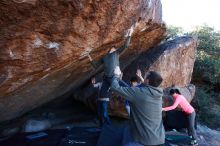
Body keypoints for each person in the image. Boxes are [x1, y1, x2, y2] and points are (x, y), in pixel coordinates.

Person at [111, 69, 165, 146]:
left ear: (147, 81)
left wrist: (115, 75)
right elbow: (139, 87)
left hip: (146, 141)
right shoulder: (158, 94)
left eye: (145, 77)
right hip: (160, 139)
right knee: (128, 130)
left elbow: (114, 87)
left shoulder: (139, 93)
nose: (143, 78)